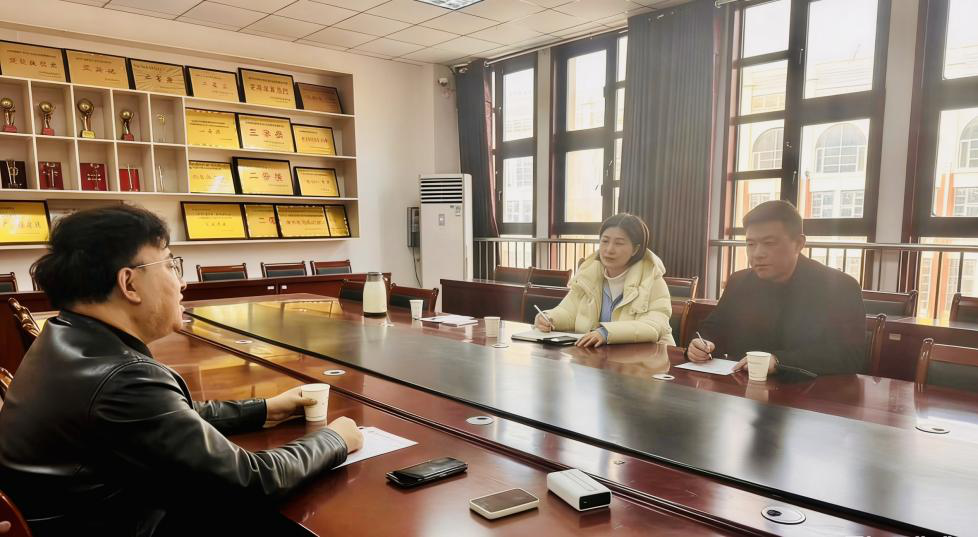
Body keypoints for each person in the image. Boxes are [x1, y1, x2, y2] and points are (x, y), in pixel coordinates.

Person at [0, 205, 363, 536]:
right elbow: (250, 481)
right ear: (129, 283)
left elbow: (167, 419)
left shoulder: (62, 338)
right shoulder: (123, 379)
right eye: (171, 265)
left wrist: (265, 408)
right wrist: (335, 439)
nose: (182, 281)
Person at [687, 200, 865, 377]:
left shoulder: (840, 287)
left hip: (811, 390)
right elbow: (712, 329)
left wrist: (779, 361)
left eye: (769, 243)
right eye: (751, 244)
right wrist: (699, 345)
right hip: (742, 387)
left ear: (798, 243)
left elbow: (851, 356)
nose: (757, 254)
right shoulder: (739, 281)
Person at [534, 213, 674, 347]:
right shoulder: (587, 275)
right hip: (598, 357)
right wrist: (549, 318)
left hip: (648, 358)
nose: (609, 249)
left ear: (635, 250)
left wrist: (606, 333)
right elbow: (568, 312)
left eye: (619, 243)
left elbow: (653, 325)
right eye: (605, 241)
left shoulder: (652, 280)